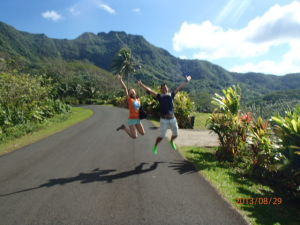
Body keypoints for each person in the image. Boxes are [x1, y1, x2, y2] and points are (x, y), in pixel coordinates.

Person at [138, 75, 192, 154]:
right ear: (161, 90)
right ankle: (156, 146)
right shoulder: (159, 96)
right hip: (164, 120)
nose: (165, 89)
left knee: (176, 134)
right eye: (163, 88)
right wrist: (141, 84)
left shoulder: (172, 94)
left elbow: (179, 88)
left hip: (172, 119)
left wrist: (186, 81)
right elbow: (150, 90)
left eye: (166, 87)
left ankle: (171, 141)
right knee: (162, 136)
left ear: (168, 88)